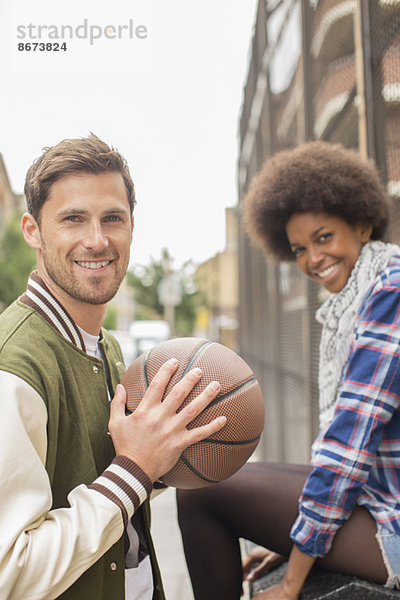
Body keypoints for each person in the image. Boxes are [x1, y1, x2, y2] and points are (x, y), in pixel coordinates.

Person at [0, 134, 226, 600]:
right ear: (32, 230)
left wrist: (171, 448)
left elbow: (104, 479)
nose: (97, 240)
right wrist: (136, 466)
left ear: (131, 226)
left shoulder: (108, 347)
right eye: (72, 219)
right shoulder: (13, 366)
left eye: (112, 219)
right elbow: (11, 572)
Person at [177, 141, 400, 599]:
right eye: (299, 248)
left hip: (392, 518)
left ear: (362, 223)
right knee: (208, 477)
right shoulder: (357, 297)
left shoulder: (390, 292)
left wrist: (293, 579)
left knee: (201, 495)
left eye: (323, 238)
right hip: (379, 498)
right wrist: (298, 540)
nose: (312, 259)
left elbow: (350, 445)